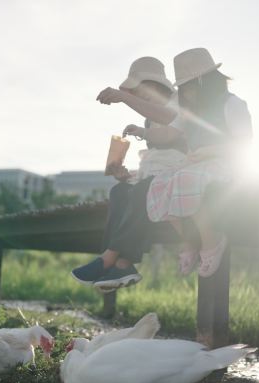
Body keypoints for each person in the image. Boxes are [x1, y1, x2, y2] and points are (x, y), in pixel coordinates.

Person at [97, 48, 252, 277]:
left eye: (187, 87)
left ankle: (211, 242)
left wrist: (211, 151)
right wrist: (142, 133)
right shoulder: (191, 109)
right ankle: (188, 242)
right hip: (198, 165)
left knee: (181, 179)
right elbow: (168, 134)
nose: (184, 92)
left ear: (202, 82)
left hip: (224, 166)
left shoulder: (230, 103)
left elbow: (245, 144)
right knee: (157, 186)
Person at [71, 57, 187, 291]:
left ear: (156, 86)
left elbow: (170, 136)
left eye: (140, 90)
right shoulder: (149, 117)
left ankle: (111, 260)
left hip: (181, 176)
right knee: (120, 191)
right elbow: (155, 164)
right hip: (155, 178)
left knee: (144, 191)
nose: (137, 95)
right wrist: (126, 175)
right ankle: (121, 263)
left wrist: (126, 99)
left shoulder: (178, 105)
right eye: (133, 91)